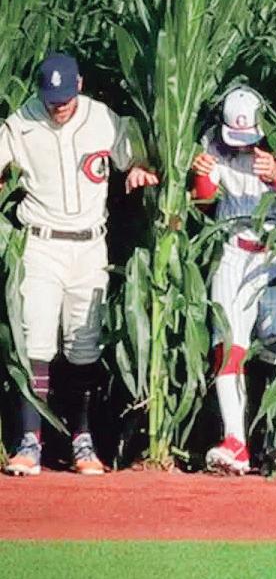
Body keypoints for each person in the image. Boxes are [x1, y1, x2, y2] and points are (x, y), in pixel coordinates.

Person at [0, 52, 158, 476]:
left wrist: (138, 168)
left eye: (66, 98)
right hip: (41, 243)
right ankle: (29, 441)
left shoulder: (101, 118)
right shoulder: (22, 122)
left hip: (90, 246)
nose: (59, 107)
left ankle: (82, 441)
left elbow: (135, 156)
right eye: (52, 100)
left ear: (80, 87)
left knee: (84, 345)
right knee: (34, 341)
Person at [191, 86, 276, 475]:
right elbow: (204, 200)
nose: (241, 146)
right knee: (228, 345)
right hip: (234, 251)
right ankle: (235, 442)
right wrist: (203, 177)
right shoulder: (213, 141)